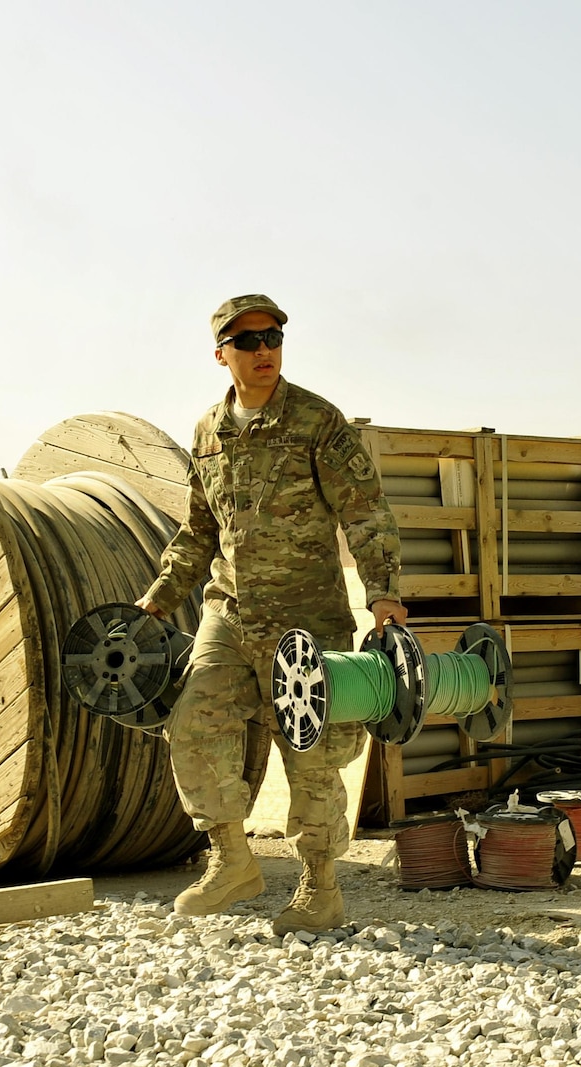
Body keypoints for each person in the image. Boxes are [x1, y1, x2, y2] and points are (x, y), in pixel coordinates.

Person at [137, 293, 404, 934]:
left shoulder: (318, 421)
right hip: (229, 613)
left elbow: (364, 510)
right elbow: (199, 532)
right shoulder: (208, 432)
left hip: (308, 617)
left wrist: (384, 592)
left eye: (273, 337)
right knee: (195, 718)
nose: (264, 351)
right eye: (248, 341)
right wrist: (159, 597)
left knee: (309, 752)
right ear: (222, 353)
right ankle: (232, 859)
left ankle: (320, 886)